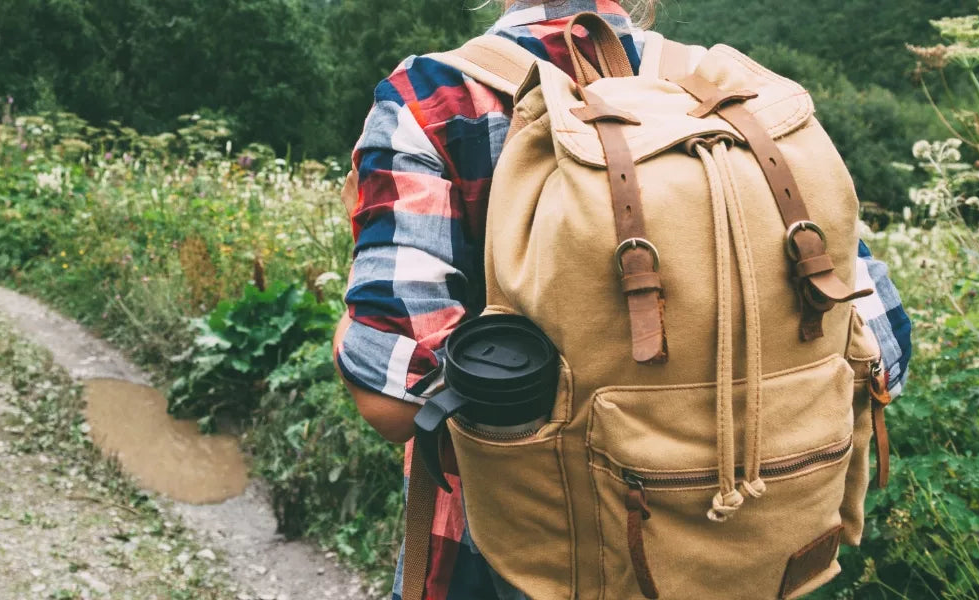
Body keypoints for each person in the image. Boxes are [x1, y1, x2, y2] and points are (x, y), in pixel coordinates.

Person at [333, 1, 914, 598]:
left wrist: (355, 292)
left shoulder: (434, 100)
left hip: (520, 559)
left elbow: (393, 403)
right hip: (754, 553)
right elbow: (885, 354)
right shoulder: (729, 92)